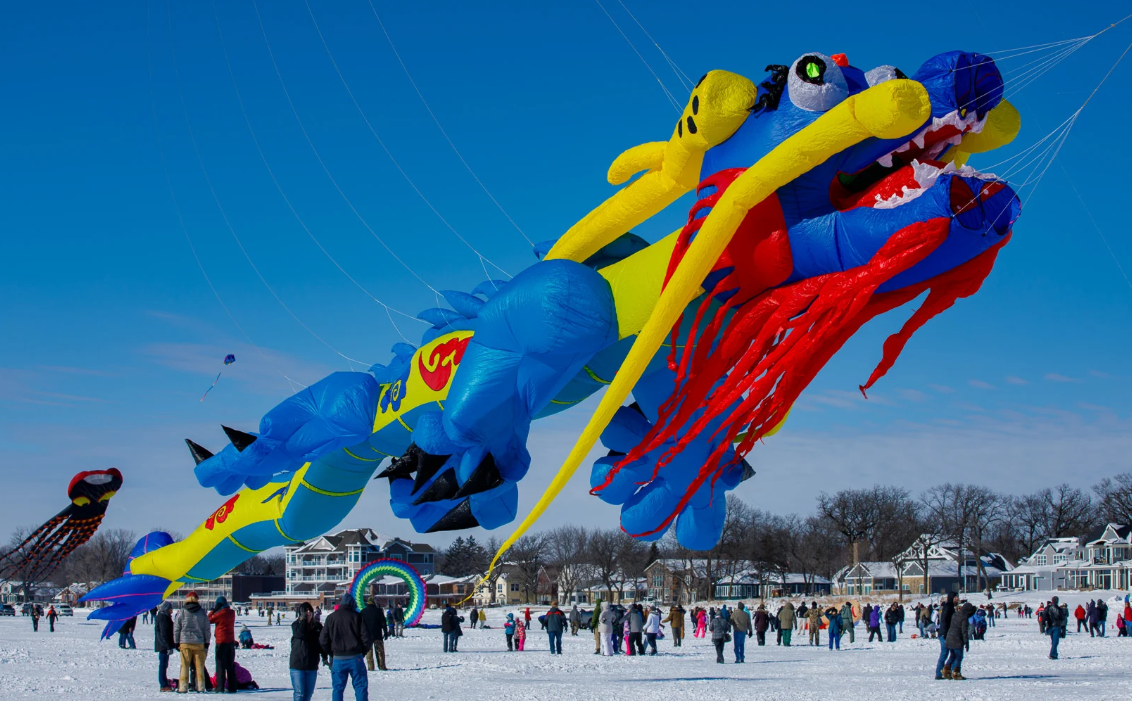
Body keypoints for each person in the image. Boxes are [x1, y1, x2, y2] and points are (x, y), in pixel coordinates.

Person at [319, 592, 372, 701]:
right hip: (355, 657)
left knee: (337, 689)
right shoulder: (358, 617)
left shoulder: (331, 618)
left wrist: (331, 653)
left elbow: (323, 640)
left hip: (338, 658)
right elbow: (367, 638)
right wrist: (362, 652)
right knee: (360, 687)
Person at [175, 592, 211, 694]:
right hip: (199, 642)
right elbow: (206, 629)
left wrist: (176, 641)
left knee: (185, 665)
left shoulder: (182, 612)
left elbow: (177, 628)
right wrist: (207, 641)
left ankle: (183, 687)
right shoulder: (202, 612)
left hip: (185, 642)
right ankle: (200, 686)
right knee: (199, 666)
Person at [290, 602, 327, 701]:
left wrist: (324, 657)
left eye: (309, 611)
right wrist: (303, 620)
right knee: (299, 694)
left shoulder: (318, 627)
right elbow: (302, 634)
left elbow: (321, 643)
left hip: (311, 665)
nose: (307, 613)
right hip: (297, 665)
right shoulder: (296, 625)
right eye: (304, 611)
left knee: (308, 695)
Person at [208, 596, 237, 694]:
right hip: (230, 641)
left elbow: (209, 620)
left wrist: (213, 610)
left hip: (221, 642)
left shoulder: (220, 613)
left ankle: (220, 687)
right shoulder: (232, 612)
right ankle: (232, 687)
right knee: (230, 665)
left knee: (220, 665)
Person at [942, 601, 975, 680]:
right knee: (959, 657)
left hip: (949, 638)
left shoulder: (955, 614)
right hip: (957, 640)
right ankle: (956, 673)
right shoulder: (964, 618)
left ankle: (946, 670)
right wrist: (966, 642)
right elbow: (964, 631)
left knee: (952, 655)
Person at [934, 593, 957, 680]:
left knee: (952, 653)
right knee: (945, 653)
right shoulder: (948, 607)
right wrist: (946, 633)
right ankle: (939, 673)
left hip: (948, 633)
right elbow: (944, 620)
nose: (957, 599)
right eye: (956, 597)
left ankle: (948, 672)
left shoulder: (950, 606)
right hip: (945, 634)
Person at [361, 597, 387, 671]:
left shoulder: (363, 612)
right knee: (380, 651)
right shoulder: (378, 611)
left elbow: (360, 624)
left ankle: (370, 667)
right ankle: (382, 666)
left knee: (369, 652)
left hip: (367, 636)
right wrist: (385, 632)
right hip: (377, 634)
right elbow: (383, 623)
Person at [155, 601, 176, 692]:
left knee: (164, 664)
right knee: (163, 665)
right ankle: (163, 684)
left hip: (163, 645)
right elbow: (164, 634)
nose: (172, 610)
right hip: (163, 645)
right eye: (171, 608)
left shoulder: (164, 616)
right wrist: (168, 647)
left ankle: (164, 682)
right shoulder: (163, 617)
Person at [1047, 595, 1066, 660]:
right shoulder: (1059, 609)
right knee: (1055, 642)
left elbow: (1045, 616)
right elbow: (1063, 618)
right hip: (1057, 626)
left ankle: (1055, 653)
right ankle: (1052, 654)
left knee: (1053, 641)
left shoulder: (1048, 608)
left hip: (1050, 626)